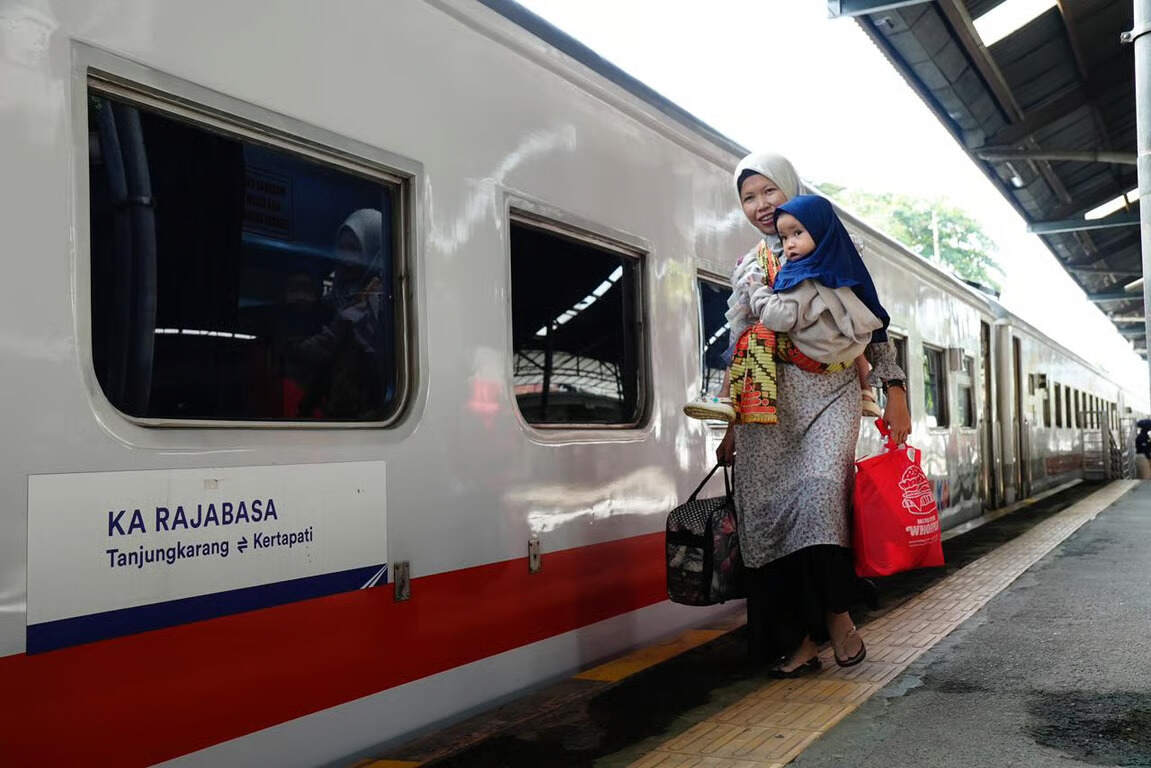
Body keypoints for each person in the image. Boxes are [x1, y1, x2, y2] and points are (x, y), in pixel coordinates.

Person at [716, 151, 911, 676]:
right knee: (769, 520)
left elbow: (871, 321)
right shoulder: (748, 267)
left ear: (792, 188)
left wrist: (894, 388)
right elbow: (740, 342)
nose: (761, 205)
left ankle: (839, 617)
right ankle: (800, 642)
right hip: (766, 403)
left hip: (830, 391)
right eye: (748, 197)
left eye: (769, 191)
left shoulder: (831, 241)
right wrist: (731, 420)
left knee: (822, 496)